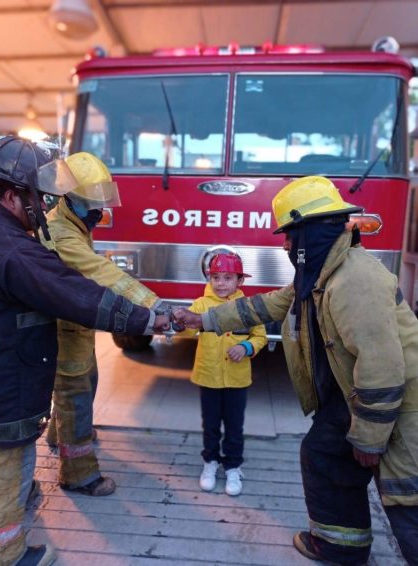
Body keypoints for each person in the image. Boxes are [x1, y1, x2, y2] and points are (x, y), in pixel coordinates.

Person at [173, 176, 418, 565]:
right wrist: (199, 320)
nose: (285, 245)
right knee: (323, 452)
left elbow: (383, 369)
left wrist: (370, 439)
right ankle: (340, 546)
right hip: (352, 396)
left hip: (398, 412)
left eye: (290, 235)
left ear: (311, 233)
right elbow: (262, 308)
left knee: (406, 499)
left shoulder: (355, 280)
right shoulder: (321, 273)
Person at [0, 136, 170, 566]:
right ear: (14, 194)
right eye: (42, 198)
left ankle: (4, 528)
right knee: (2, 470)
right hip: (3, 381)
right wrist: (153, 317)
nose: (46, 208)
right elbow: (82, 292)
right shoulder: (14, 249)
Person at [42, 152, 161, 496]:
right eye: (91, 203)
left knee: (81, 386)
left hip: (75, 330)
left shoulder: (73, 223)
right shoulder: (63, 234)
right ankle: (78, 474)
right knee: (75, 395)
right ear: (69, 198)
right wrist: (155, 305)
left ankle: (58, 435)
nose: (98, 211)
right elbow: (104, 274)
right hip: (66, 334)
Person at [182, 253, 266, 496]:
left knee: (234, 425)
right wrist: (179, 322)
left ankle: (232, 466)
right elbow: (187, 331)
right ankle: (210, 462)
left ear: (240, 280)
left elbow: (259, 336)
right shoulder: (200, 304)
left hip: (237, 380)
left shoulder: (248, 308)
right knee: (210, 424)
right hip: (208, 377)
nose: (220, 283)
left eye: (228, 278)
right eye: (216, 277)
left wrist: (246, 347)